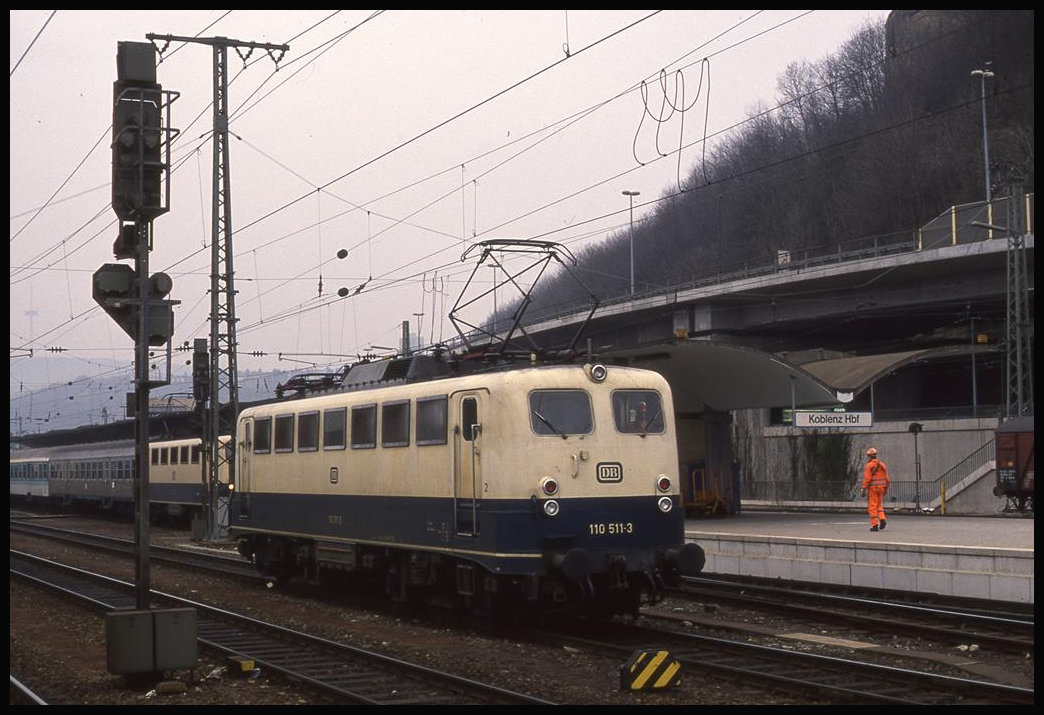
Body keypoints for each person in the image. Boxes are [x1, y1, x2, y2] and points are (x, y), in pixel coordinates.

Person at [861, 447, 890, 532]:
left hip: (873, 488)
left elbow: (867, 478)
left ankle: (874, 525)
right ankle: (882, 519)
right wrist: (886, 488)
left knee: (872, 506)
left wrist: (863, 488)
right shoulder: (882, 465)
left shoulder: (869, 465)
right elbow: (887, 479)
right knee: (879, 505)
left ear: (869, 456)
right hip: (882, 488)